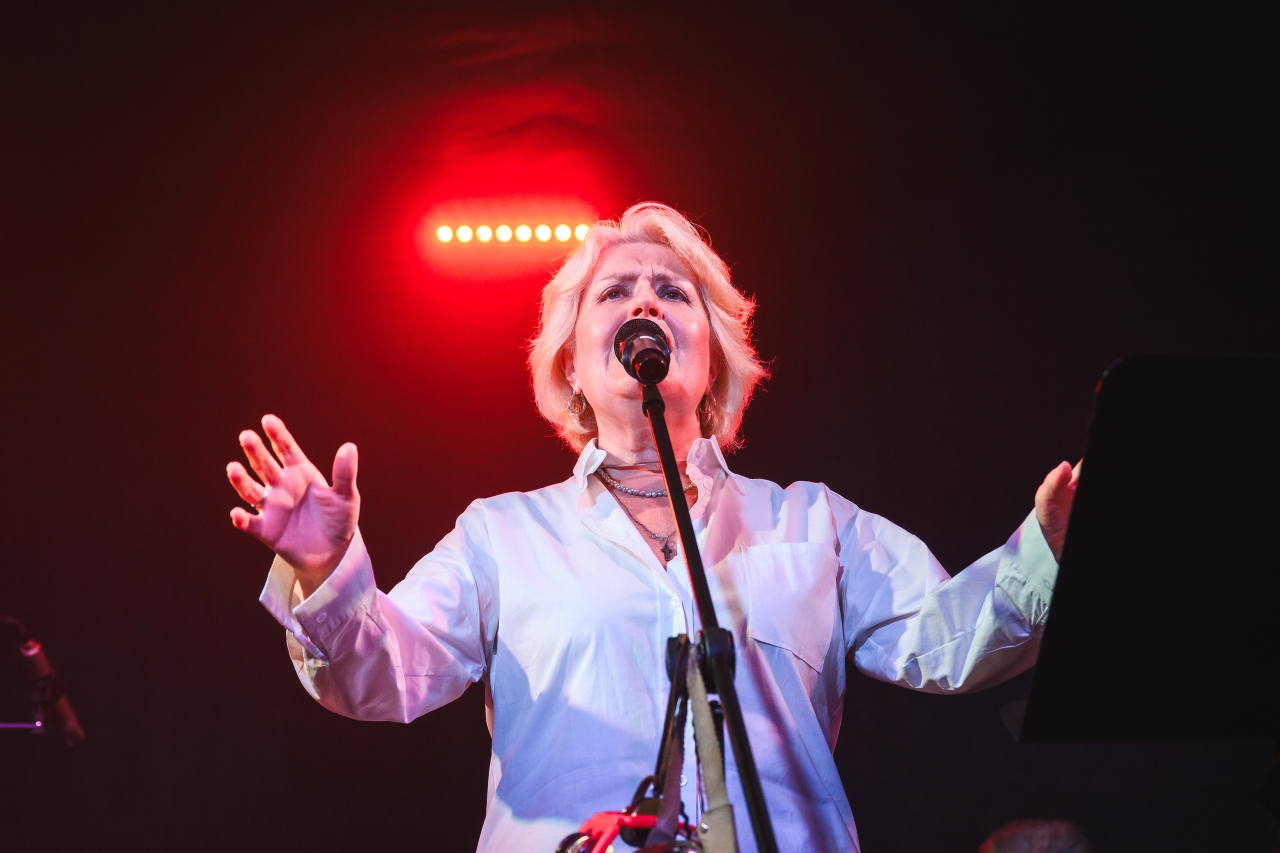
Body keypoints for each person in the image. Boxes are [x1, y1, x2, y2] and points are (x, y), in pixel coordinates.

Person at [226, 202, 1080, 852]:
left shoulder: (812, 522)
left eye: (672, 292)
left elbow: (949, 640)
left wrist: (1051, 549)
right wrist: (327, 568)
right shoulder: (502, 535)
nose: (646, 300)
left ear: (712, 355)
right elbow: (385, 673)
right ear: (571, 361)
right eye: (616, 292)